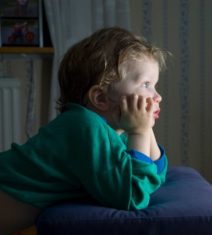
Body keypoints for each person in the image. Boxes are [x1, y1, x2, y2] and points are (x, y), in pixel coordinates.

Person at [0, 26, 169, 235]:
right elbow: (133, 196)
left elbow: (154, 177)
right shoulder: (83, 125)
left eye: (155, 85)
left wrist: (145, 129)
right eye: (146, 84)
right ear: (100, 98)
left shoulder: (115, 132)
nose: (157, 96)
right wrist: (140, 132)